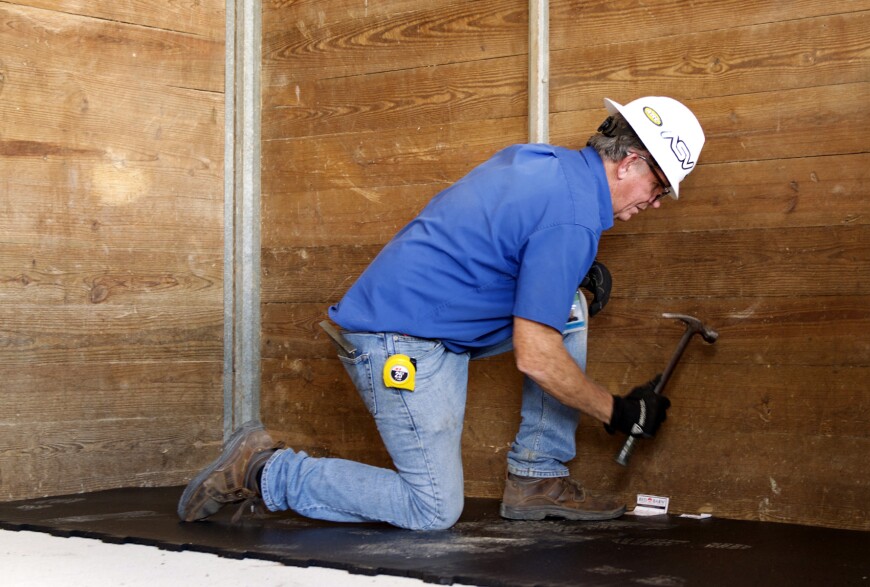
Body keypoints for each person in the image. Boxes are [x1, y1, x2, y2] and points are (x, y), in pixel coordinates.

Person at [178, 96, 706, 530]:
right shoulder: (572, 219)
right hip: (396, 342)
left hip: (432, 326)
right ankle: (266, 470)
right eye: (659, 187)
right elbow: (537, 357)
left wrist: (564, 276)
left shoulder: (547, 166)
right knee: (432, 508)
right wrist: (617, 411)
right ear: (631, 162)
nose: (656, 202)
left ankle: (536, 478)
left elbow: (495, 239)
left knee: (568, 305)